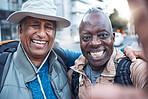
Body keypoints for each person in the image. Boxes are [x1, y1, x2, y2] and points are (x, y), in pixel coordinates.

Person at [0, 0, 145, 99]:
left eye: (48, 27)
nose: (42, 33)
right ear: (20, 30)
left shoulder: (61, 58)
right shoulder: (3, 68)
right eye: (35, 25)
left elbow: (96, 54)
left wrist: (127, 50)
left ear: (54, 33)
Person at [67, 8, 148, 99]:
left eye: (103, 35)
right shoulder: (74, 75)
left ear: (113, 38)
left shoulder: (132, 68)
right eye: (86, 37)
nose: (95, 43)